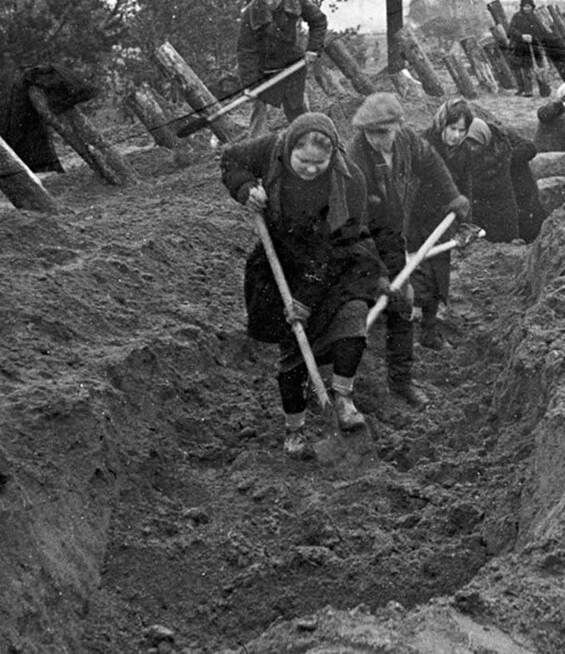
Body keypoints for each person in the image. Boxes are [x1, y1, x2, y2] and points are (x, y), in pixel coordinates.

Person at [220, 112, 386, 457]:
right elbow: (231, 159)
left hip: (337, 260)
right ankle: (294, 433)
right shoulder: (270, 148)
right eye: (303, 161)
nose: (311, 170)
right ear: (290, 148)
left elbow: (336, 248)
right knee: (293, 345)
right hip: (283, 258)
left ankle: (342, 398)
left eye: (319, 164)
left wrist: (307, 298)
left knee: (352, 319)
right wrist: (244, 188)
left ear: (332, 157)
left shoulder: (350, 180)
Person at [347, 92, 469, 407]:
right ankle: (341, 387)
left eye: (383, 133)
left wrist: (452, 195)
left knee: (402, 303)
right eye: (370, 133)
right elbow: (354, 228)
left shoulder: (407, 143)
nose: (376, 140)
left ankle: (400, 383)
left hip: (392, 237)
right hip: (357, 244)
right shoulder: (355, 161)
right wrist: (377, 274)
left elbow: (431, 162)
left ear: (398, 127)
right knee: (351, 312)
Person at [429, 98, 546, 244]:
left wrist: (506, 161)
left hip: (519, 199)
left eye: (474, 144)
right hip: (486, 213)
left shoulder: (502, 144)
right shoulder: (464, 155)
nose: (471, 149)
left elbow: (530, 148)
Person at [236, 0, 328, 137]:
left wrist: (313, 49)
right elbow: (246, 50)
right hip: (263, 70)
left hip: (292, 65)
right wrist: (250, 85)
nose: (269, 3)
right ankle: (256, 147)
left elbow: (319, 20)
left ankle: (308, 138)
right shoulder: (251, 12)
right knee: (258, 111)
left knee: (298, 107)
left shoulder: (296, 0)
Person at [505, 0, 553, 97]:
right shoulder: (517, 16)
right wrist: (521, 36)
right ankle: (525, 90)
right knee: (522, 69)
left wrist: (534, 37)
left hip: (533, 47)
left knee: (539, 69)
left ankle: (544, 90)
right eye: (525, 6)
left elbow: (541, 31)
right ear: (521, 7)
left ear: (532, 7)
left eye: (529, 6)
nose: (527, 8)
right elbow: (510, 31)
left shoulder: (535, 18)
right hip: (519, 47)